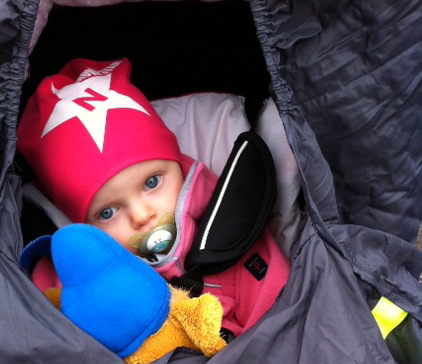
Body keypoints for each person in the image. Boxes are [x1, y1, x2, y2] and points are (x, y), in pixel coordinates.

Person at [17, 58, 290, 341]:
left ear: (178, 168)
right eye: (107, 212)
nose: (142, 215)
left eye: (151, 182)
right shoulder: (71, 283)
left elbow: (284, 321)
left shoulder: (233, 230)